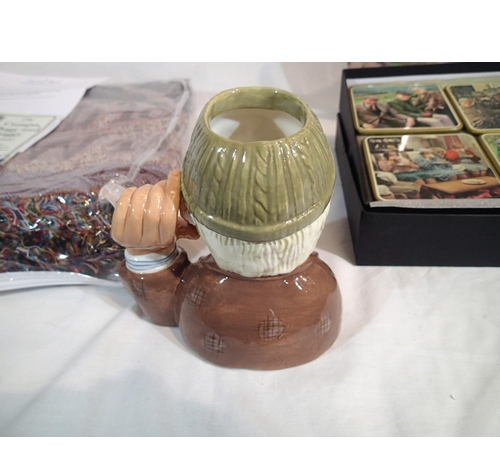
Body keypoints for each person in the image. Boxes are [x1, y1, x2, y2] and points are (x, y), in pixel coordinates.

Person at [110, 170, 341, 370]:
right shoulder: (201, 289)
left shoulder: (317, 286)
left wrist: (147, 253)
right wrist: (147, 248)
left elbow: (167, 307)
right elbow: (165, 308)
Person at [387, 90, 455, 128]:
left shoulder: (408, 101)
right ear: (397, 95)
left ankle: (453, 130)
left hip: (420, 114)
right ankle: (445, 135)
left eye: (407, 95)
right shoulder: (393, 102)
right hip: (413, 117)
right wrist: (421, 115)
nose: (406, 96)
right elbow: (403, 112)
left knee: (444, 117)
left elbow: (415, 108)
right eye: (403, 95)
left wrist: (423, 113)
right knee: (435, 122)